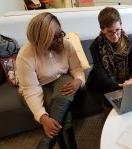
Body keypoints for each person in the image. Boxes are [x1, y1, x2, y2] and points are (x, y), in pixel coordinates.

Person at [16, 12, 84, 149]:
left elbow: (77, 69)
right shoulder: (25, 55)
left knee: (67, 83)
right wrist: (43, 118)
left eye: (60, 34)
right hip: (35, 87)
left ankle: (46, 143)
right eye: (54, 38)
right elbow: (31, 91)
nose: (60, 39)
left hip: (59, 80)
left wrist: (79, 80)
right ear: (41, 41)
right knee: (66, 117)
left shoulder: (66, 44)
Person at [85, 7, 132, 108]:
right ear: (102, 29)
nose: (115, 35)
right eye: (110, 31)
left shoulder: (129, 41)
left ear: (121, 25)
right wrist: (118, 86)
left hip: (125, 80)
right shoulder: (95, 46)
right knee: (110, 94)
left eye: (117, 30)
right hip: (104, 81)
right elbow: (101, 75)